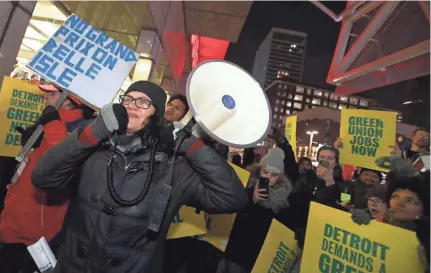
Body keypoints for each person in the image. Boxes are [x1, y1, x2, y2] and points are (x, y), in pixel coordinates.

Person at [31, 81, 247, 273]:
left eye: (143, 102)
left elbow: (232, 198)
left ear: (157, 117)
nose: (132, 105)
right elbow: (43, 178)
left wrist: (190, 144)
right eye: (128, 99)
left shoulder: (174, 167)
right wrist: (92, 132)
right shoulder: (95, 149)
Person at [0, 83, 94, 273]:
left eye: (52, 92)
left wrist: (51, 126)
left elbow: (61, 163)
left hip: (34, 231)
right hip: (17, 222)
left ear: (68, 100)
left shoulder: (78, 131)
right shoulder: (53, 122)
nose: (45, 95)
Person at [224, 148, 293, 272]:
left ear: (280, 177)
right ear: (259, 170)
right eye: (265, 172)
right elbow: (231, 213)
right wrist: (252, 199)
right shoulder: (245, 186)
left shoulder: (285, 198)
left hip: (261, 255)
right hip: (238, 250)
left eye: (274, 175)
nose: (268, 177)